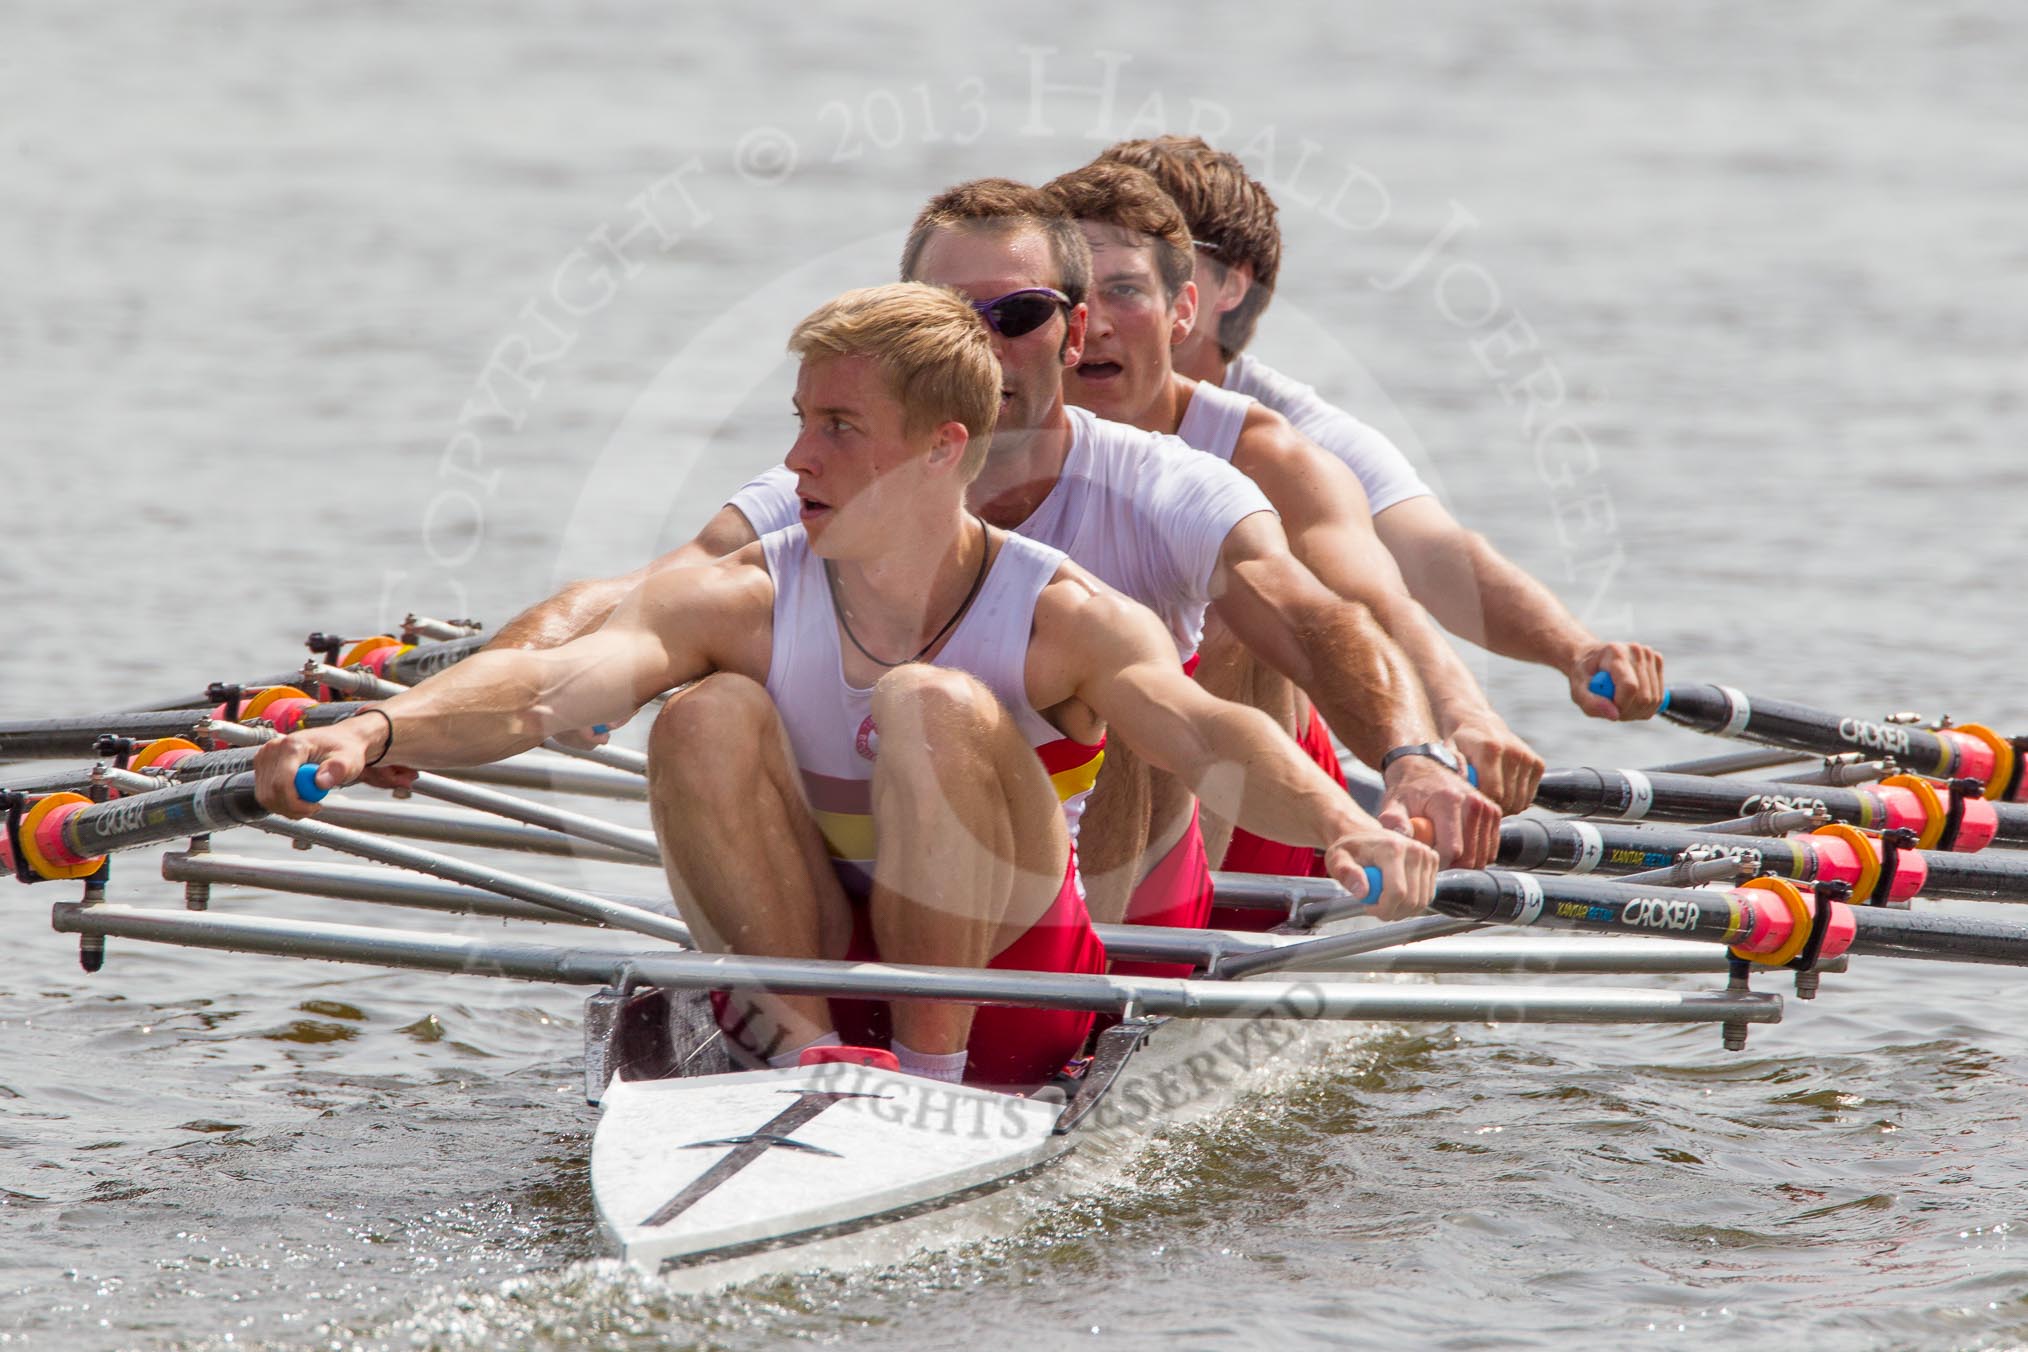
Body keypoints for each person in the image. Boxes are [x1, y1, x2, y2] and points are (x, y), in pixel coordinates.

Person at [253, 283, 1436, 1088]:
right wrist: (377, 726)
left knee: (928, 698)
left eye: (836, 426)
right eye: (798, 423)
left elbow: (1211, 737)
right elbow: (549, 685)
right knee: (707, 709)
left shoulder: (1064, 614)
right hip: (811, 962)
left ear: (941, 448)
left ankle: (924, 1082)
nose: (798, 460)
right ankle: (814, 1061)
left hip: (1008, 992)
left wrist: (1344, 822)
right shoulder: (742, 596)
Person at [1042, 161, 1534, 897]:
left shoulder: (1268, 454)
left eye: (1124, 291)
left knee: (1164, 630)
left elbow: (1363, 605)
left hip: (1221, 822)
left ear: (1186, 310)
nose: (1099, 322)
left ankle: (1126, 947)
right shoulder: (963, 442)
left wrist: (1433, 743)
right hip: (1043, 809)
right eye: (1076, 295)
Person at [1098, 135, 1667, 724]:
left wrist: (1573, 651)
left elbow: (1435, 557)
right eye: (1075, 258)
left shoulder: (1291, 439)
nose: (1092, 298)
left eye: (1135, 269)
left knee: (1231, 604)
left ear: (1224, 287)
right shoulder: (1023, 379)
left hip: (1238, 740)